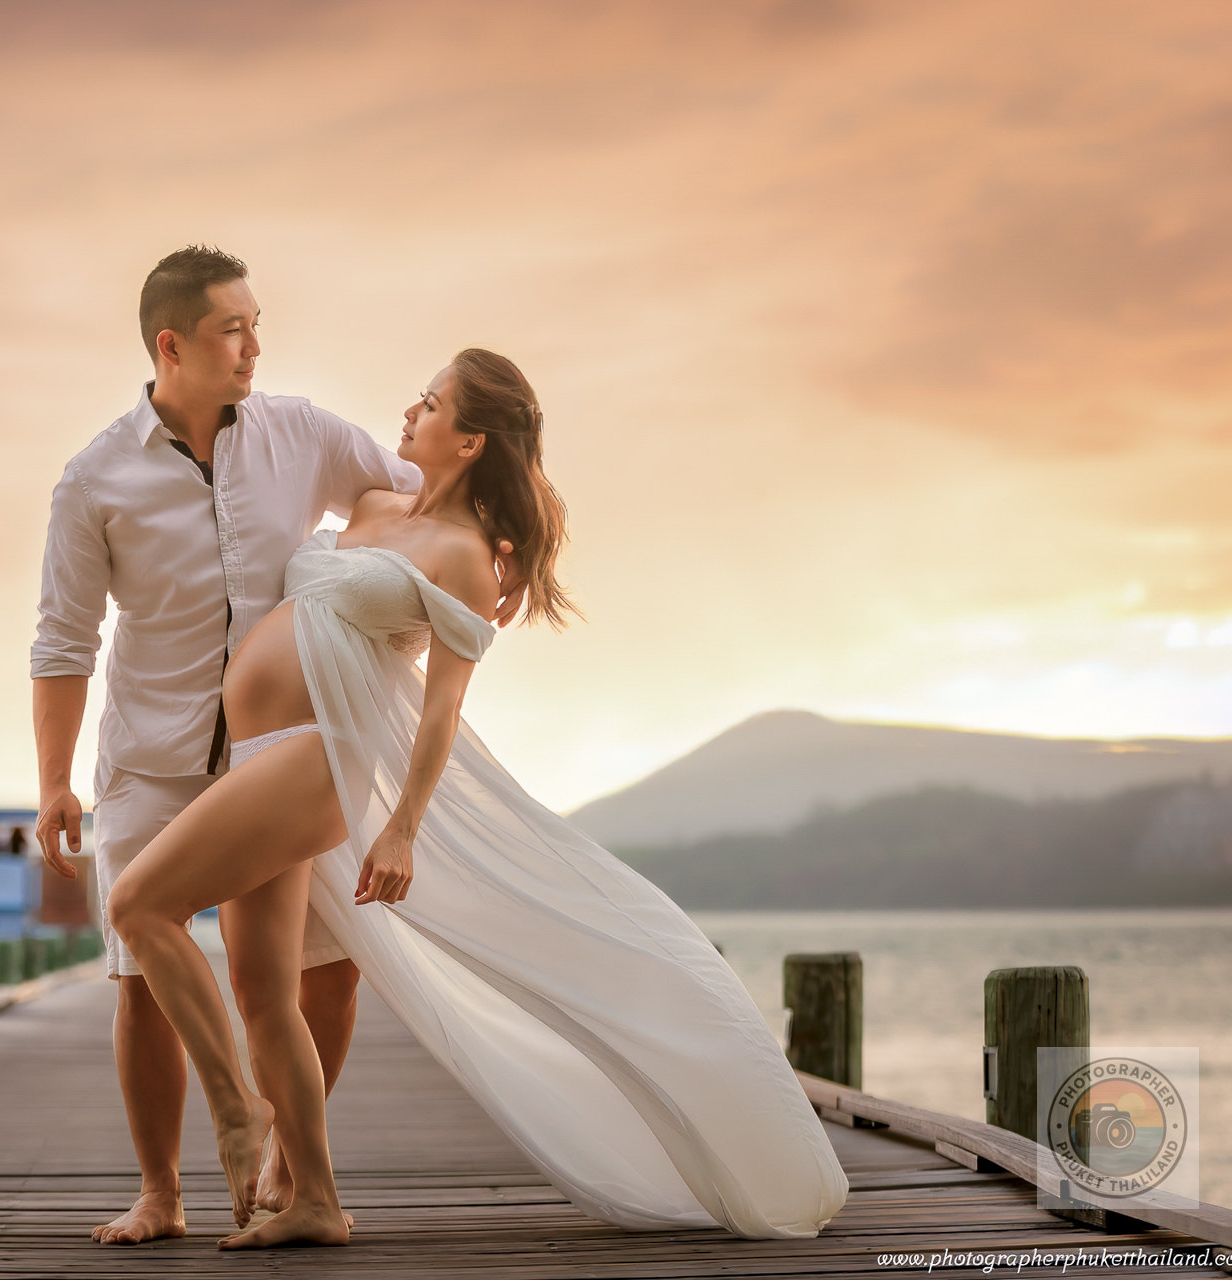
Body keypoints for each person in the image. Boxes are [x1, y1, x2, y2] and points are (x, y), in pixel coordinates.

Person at [107, 348, 851, 1249]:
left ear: (468, 439)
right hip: (260, 751)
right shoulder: (377, 504)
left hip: (317, 758)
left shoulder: (466, 559)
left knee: (137, 901)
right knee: (265, 994)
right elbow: (275, 472)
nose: (409, 412)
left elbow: (440, 710)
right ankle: (314, 1200)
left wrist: (402, 831)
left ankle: (234, 1111)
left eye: (430, 405)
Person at [30, 247, 523, 1246]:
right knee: (138, 976)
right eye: (233, 329)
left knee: (316, 974)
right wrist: (53, 779)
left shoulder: (305, 433)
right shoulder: (94, 479)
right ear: (172, 345)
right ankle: (164, 1191)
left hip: (285, 754)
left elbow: (425, 497)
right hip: (152, 754)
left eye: (257, 324)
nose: (255, 345)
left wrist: (496, 553)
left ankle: (298, 1172)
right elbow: (62, 640)